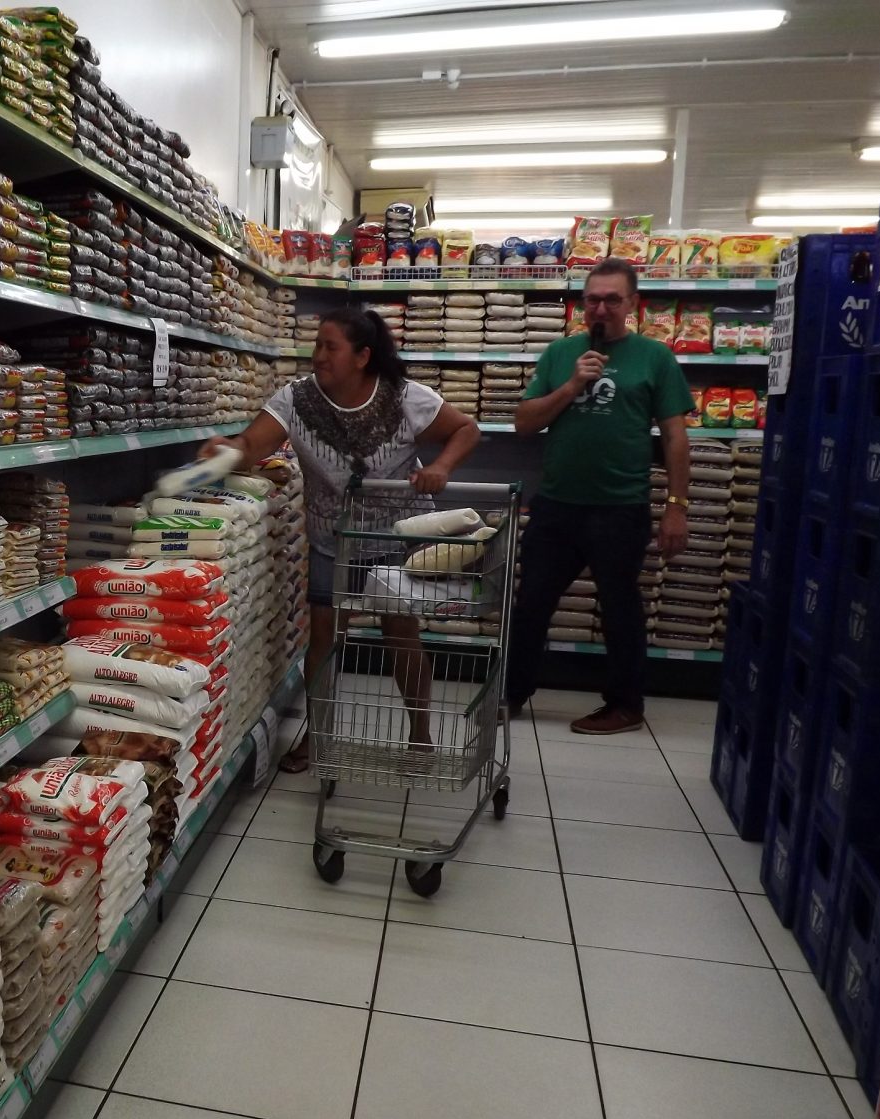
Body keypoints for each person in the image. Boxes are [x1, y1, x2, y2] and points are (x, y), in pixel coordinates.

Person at [201, 306, 482, 772]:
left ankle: (421, 735)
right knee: (325, 639)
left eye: (330, 347)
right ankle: (317, 737)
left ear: (362, 356)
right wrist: (227, 450)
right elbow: (251, 446)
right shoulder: (296, 401)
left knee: (401, 633)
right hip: (334, 538)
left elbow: (465, 429)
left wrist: (440, 467)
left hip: (397, 537)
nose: (319, 356)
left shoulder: (403, 397)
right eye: (317, 345)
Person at [506, 256, 694, 734]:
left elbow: (675, 437)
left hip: (621, 507)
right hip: (557, 504)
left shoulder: (655, 358)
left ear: (632, 304)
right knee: (530, 603)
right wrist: (572, 384)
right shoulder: (560, 354)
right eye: (593, 300)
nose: (601, 309)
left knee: (620, 609)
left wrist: (677, 507)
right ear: (582, 304)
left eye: (612, 299)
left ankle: (625, 705)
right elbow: (524, 424)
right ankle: (510, 694)